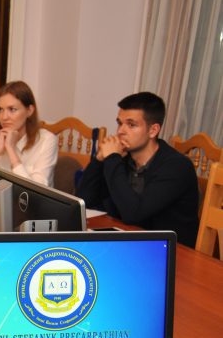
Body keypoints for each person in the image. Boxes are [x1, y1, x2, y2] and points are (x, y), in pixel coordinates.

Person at [76, 92, 199, 247]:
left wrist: (113, 158)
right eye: (120, 123)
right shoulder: (123, 159)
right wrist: (99, 160)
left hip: (169, 251)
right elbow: (84, 201)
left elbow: (133, 213)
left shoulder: (177, 166)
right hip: (129, 241)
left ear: (153, 130)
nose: (121, 131)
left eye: (131, 125)